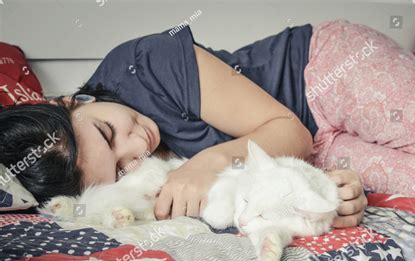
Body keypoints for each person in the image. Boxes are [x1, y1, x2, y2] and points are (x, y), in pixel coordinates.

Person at [0, 24, 368, 228]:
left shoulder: (144, 64)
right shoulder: (129, 183)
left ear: (69, 102)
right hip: (324, 148)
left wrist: (206, 164)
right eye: (118, 169)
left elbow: (291, 132)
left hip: (320, 69)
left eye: (108, 133)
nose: (137, 148)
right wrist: (333, 195)